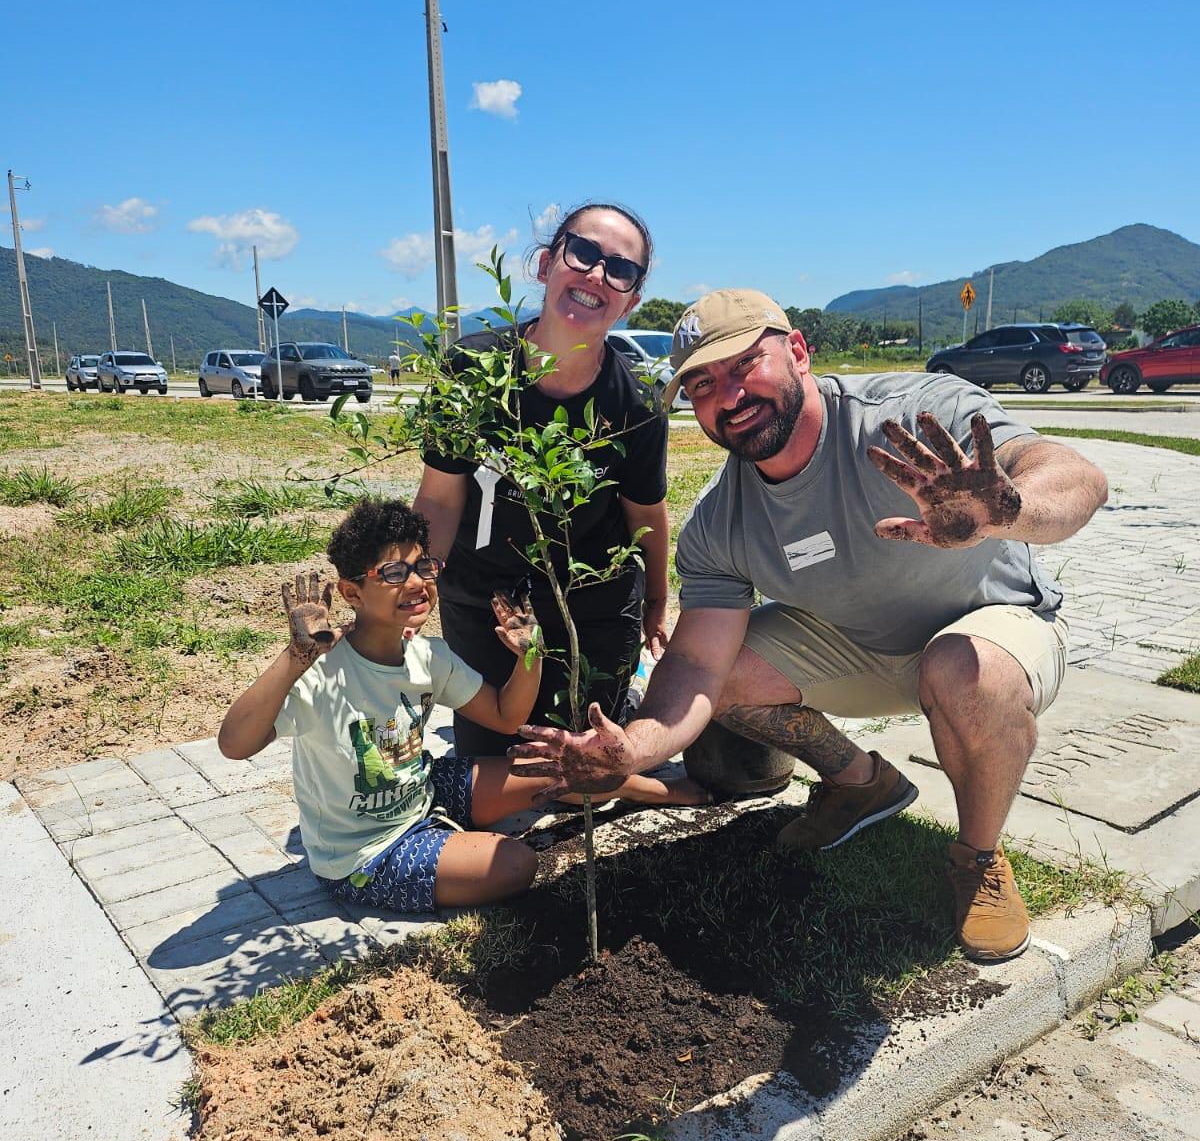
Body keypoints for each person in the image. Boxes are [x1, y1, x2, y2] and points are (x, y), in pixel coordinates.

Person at [511, 288, 1109, 964]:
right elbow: (699, 666)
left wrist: (1007, 511)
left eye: (744, 365)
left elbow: (1078, 476)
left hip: (993, 626)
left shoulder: (910, 416)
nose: (728, 396)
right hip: (859, 646)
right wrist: (634, 751)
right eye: (702, 385)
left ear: (798, 351)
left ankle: (978, 858)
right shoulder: (719, 522)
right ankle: (861, 785)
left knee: (964, 672)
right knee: (723, 675)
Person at [217, 498, 702, 917]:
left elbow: (505, 717)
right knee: (515, 864)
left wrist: (530, 655)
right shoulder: (323, 672)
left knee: (553, 766)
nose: (416, 583)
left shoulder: (429, 657)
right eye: (393, 573)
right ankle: (445, 843)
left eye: (423, 567)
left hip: (424, 788)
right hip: (365, 856)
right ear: (351, 593)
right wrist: (295, 658)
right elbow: (234, 745)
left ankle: (654, 790)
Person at [414, 202, 670, 759]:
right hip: (486, 602)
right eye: (583, 253)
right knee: (499, 764)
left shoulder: (637, 404)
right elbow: (440, 498)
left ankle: (627, 698)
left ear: (631, 299)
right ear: (547, 263)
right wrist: (415, 580)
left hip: (593, 602)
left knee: (581, 769)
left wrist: (655, 599)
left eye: (620, 269)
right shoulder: (471, 372)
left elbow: (646, 514)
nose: (597, 274)